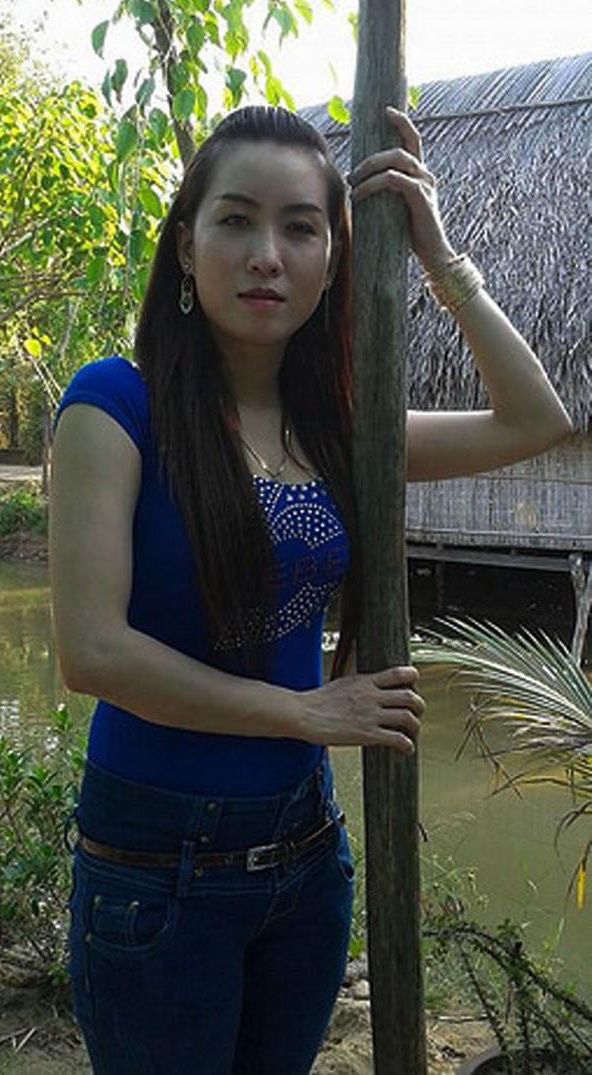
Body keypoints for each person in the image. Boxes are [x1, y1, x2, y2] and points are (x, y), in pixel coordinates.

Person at [49, 104, 572, 1075]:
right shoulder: (115, 404)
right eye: (235, 220)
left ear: (332, 261)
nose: (266, 255)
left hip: (303, 852)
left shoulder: (340, 426)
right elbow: (93, 651)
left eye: (300, 228)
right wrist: (303, 711)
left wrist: (438, 256)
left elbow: (532, 421)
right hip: (157, 864)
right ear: (186, 246)